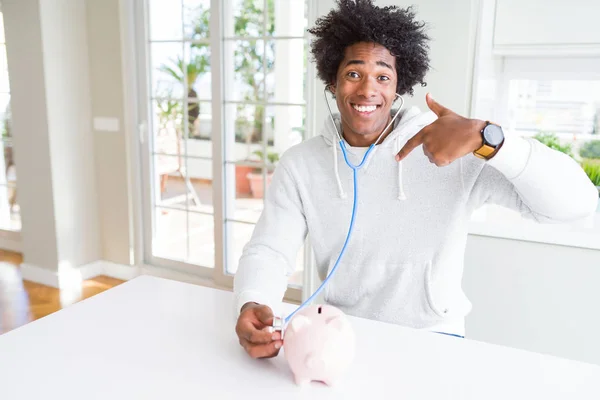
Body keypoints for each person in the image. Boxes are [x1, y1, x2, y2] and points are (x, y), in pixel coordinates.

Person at [232, 0, 599, 359]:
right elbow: (270, 249)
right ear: (332, 81)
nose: (367, 90)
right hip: (340, 336)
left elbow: (576, 205)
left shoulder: (456, 151)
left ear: (398, 87)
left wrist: (490, 138)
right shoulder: (301, 164)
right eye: (354, 73)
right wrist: (253, 299)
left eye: (383, 77)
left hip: (435, 338)